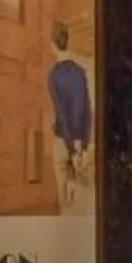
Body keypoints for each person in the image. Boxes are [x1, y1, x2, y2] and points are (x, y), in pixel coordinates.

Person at [47, 24, 91, 207]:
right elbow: (86, 111)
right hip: (79, 142)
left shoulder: (53, 75)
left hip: (62, 141)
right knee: (79, 198)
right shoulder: (80, 72)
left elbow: (62, 114)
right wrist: (82, 145)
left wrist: (71, 148)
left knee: (63, 200)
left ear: (53, 44)